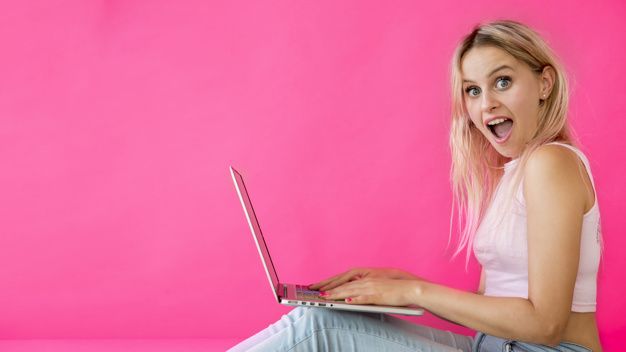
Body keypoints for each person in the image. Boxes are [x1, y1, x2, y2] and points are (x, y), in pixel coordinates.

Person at [229, 19, 603, 352]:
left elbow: (546, 325)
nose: (486, 104)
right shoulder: (515, 171)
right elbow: (495, 307)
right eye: (472, 90)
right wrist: (399, 284)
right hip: (492, 344)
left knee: (316, 329)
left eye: (502, 82)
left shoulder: (551, 163)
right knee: (319, 322)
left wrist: (413, 292)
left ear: (544, 83)